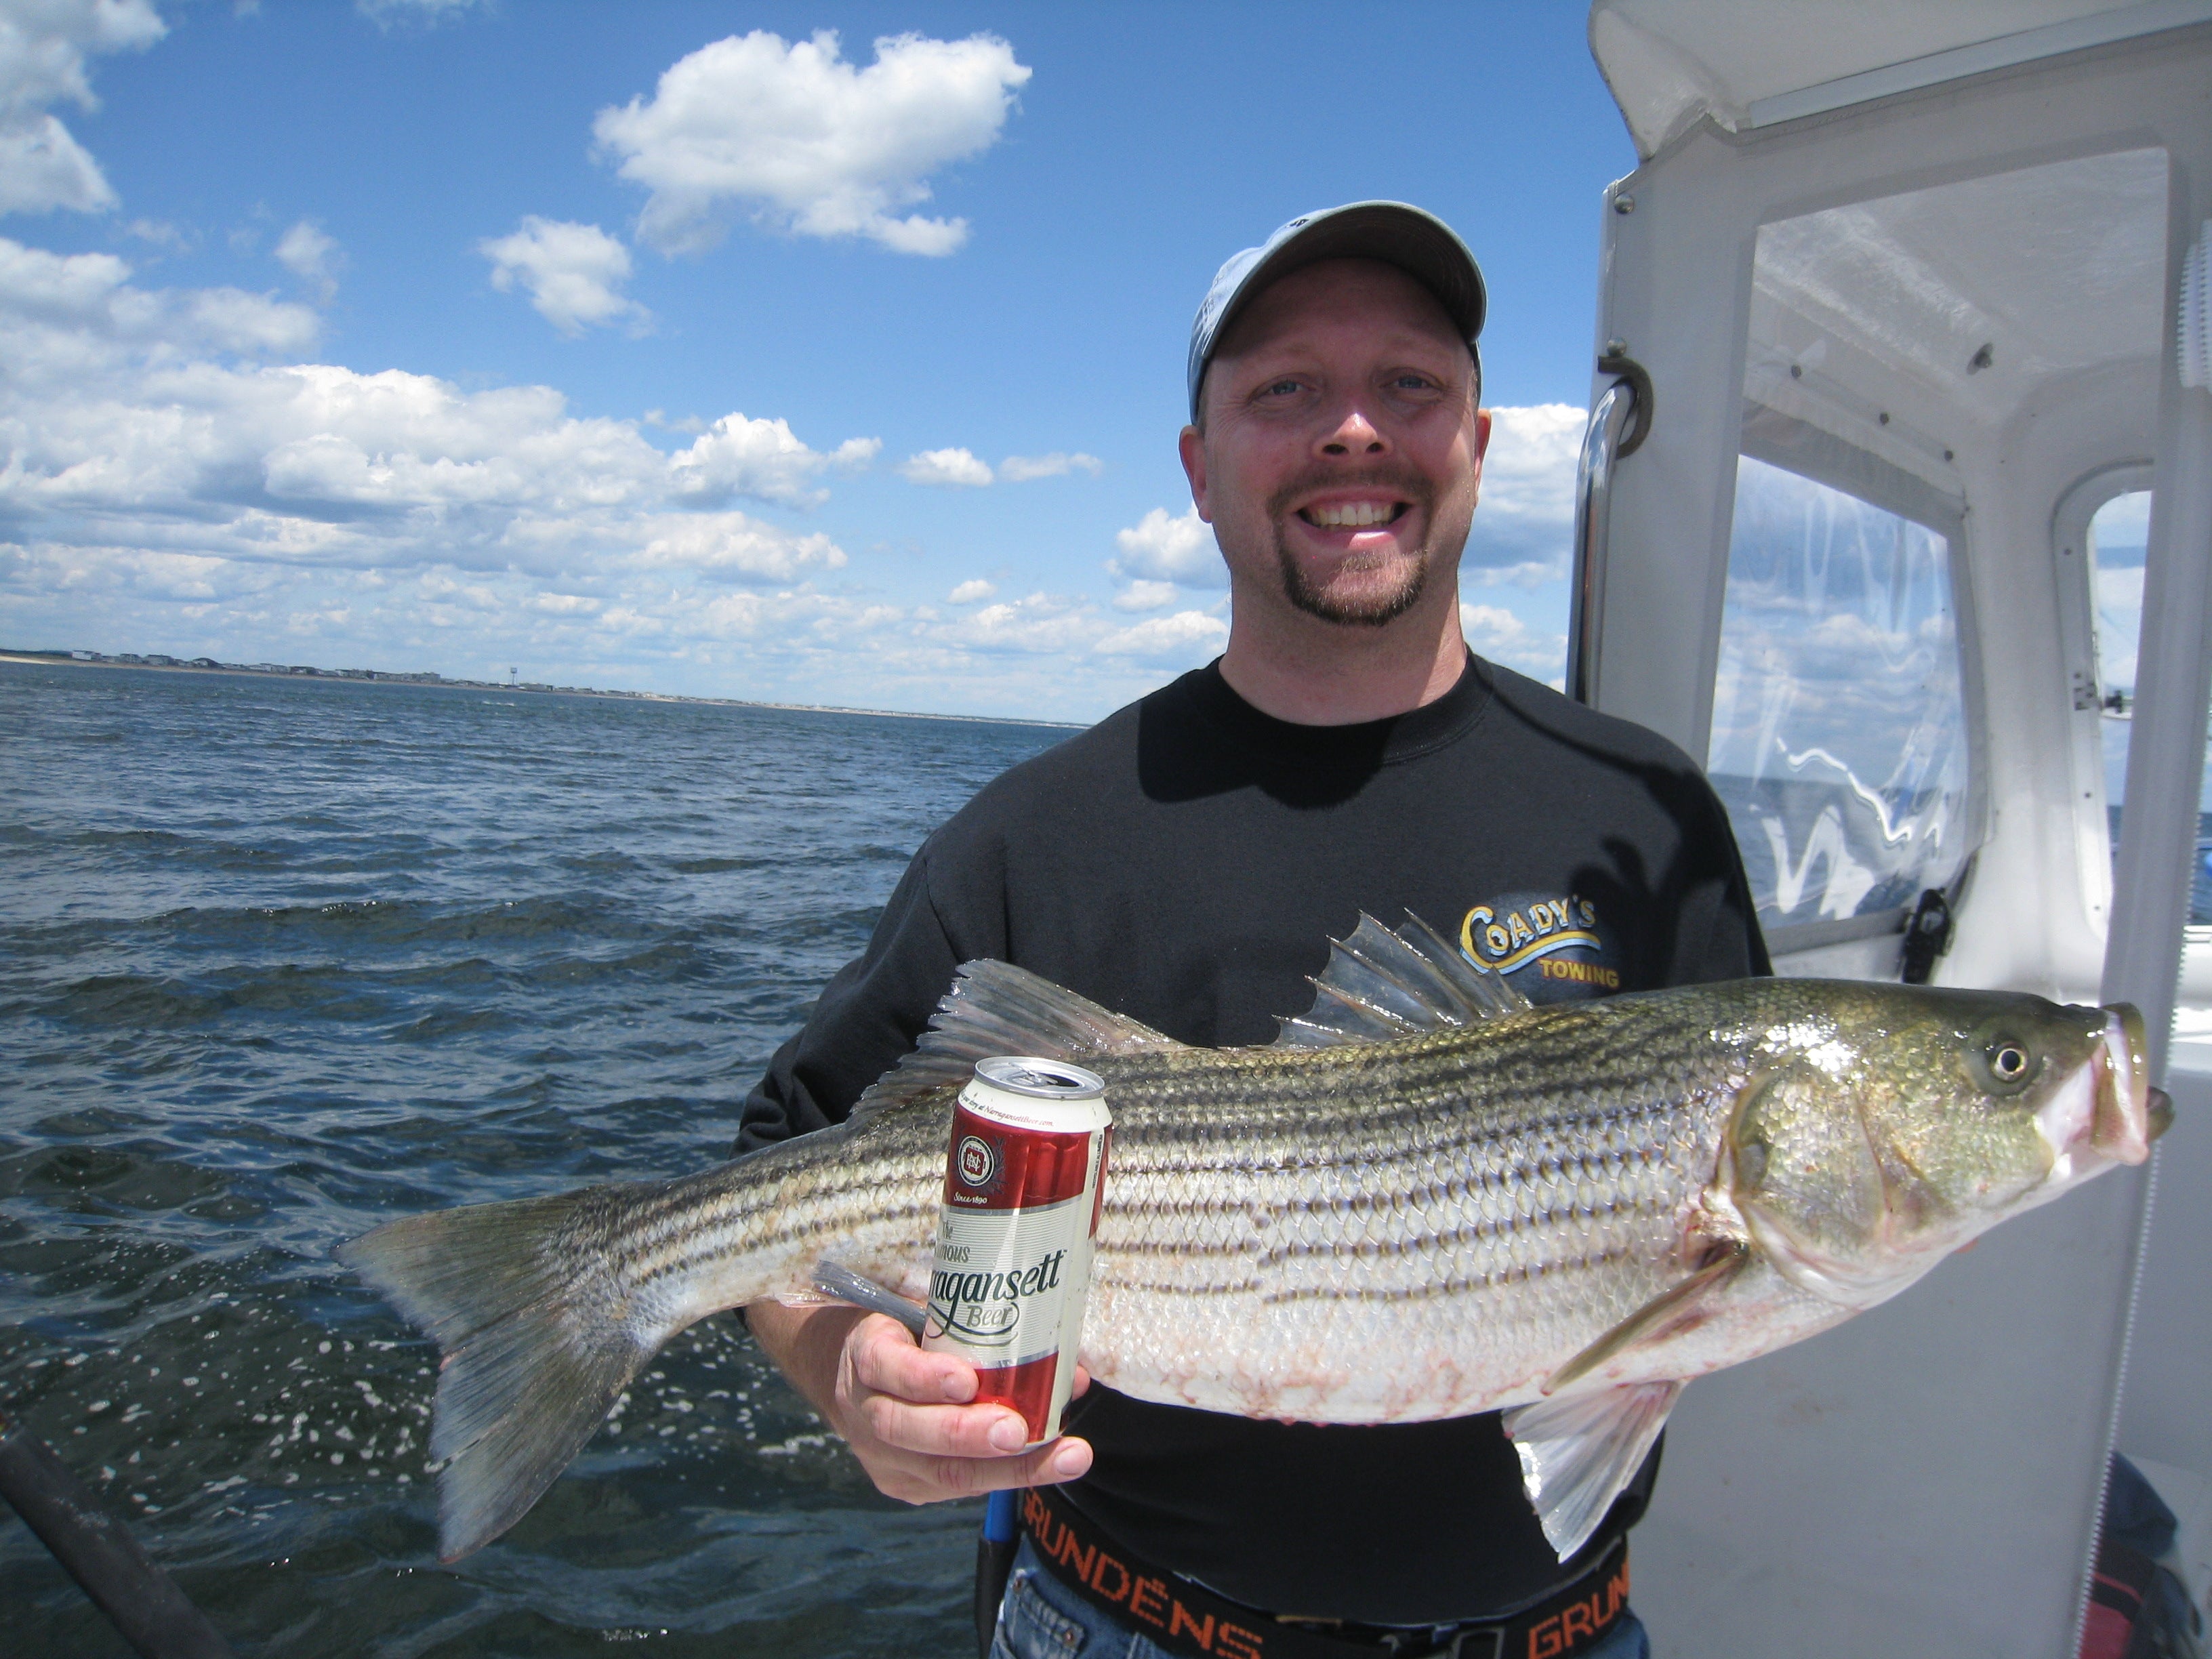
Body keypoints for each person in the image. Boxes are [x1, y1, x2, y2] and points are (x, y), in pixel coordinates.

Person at [737, 201, 1768, 1659]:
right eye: (1284, 390)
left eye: (1410, 383)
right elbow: (784, 1169)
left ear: (1477, 442)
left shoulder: (1648, 810)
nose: (1354, 430)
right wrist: (849, 1377)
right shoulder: (1039, 831)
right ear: (1198, 472)